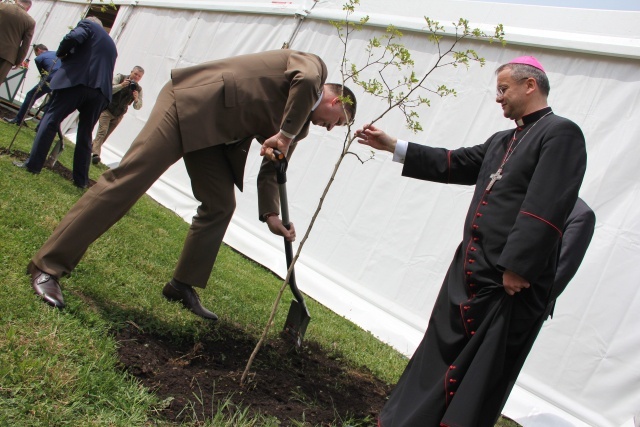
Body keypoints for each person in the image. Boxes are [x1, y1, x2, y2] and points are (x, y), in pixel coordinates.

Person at [26, 49, 356, 322]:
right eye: (337, 123)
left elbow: (273, 168)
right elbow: (307, 81)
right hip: (188, 105)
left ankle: (181, 284)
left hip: (213, 138)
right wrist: (283, 135)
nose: (330, 129)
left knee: (221, 205)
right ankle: (48, 266)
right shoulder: (314, 68)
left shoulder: (297, 129)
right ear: (336, 101)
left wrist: (271, 215)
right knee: (128, 180)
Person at [356, 56, 587, 427]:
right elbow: (454, 162)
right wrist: (393, 146)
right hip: (471, 275)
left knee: (478, 372)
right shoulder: (503, 140)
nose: (498, 98)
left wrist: (517, 266)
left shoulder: (561, 133)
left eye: (503, 89)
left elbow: (546, 204)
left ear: (530, 85)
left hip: (507, 285)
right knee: (439, 357)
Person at [16, 16, 117, 189]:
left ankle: (33, 165)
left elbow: (72, 38)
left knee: (51, 118)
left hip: (77, 83)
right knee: (85, 134)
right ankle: (81, 180)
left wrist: (62, 53)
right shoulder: (111, 45)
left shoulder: (88, 25)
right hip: (100, 92)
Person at [91, 66, 145, 165]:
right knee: (102, 132)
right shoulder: (120, 77)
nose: (137, 77)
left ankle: (90, 148)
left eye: (139, 76)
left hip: (119, 115)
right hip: (107, 110)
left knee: (105, 135)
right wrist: (121, 86)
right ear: (131, 72)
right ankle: (96, 155)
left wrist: (136, 99)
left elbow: (138, 107)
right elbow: (108, 90)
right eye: (135, 74)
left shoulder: (138, 89)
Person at [3, 44, 61, 125]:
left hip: (50, 78)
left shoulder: (39, 58)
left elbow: (43, 74)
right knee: (51, 103)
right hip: (63, 79)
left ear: (39, 50)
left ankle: (18, 119)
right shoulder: (56, 53)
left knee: (31, 95)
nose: (36, 55)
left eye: (36, 53)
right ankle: (41, 127)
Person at [0, 0, 35, 84]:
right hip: (8, 56)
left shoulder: (2, 7)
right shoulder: (30, 22)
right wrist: (19, 61)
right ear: (29, 7)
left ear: (16, 1)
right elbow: (25, 45)